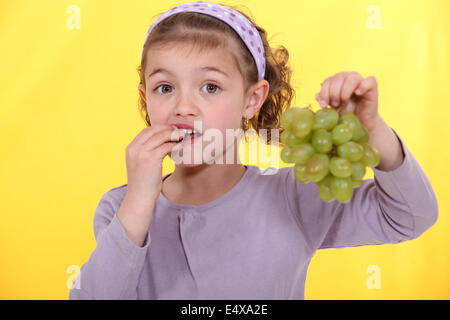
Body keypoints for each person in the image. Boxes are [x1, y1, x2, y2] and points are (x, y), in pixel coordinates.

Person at [69, 1, 438, 300]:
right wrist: (137, 202)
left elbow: (410, 216)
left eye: (210, 87)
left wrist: (374, 132)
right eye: (165, 88)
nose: (183, 107)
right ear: (145, 99)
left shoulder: (292, 196)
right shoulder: (121, 210)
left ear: (251, 100)